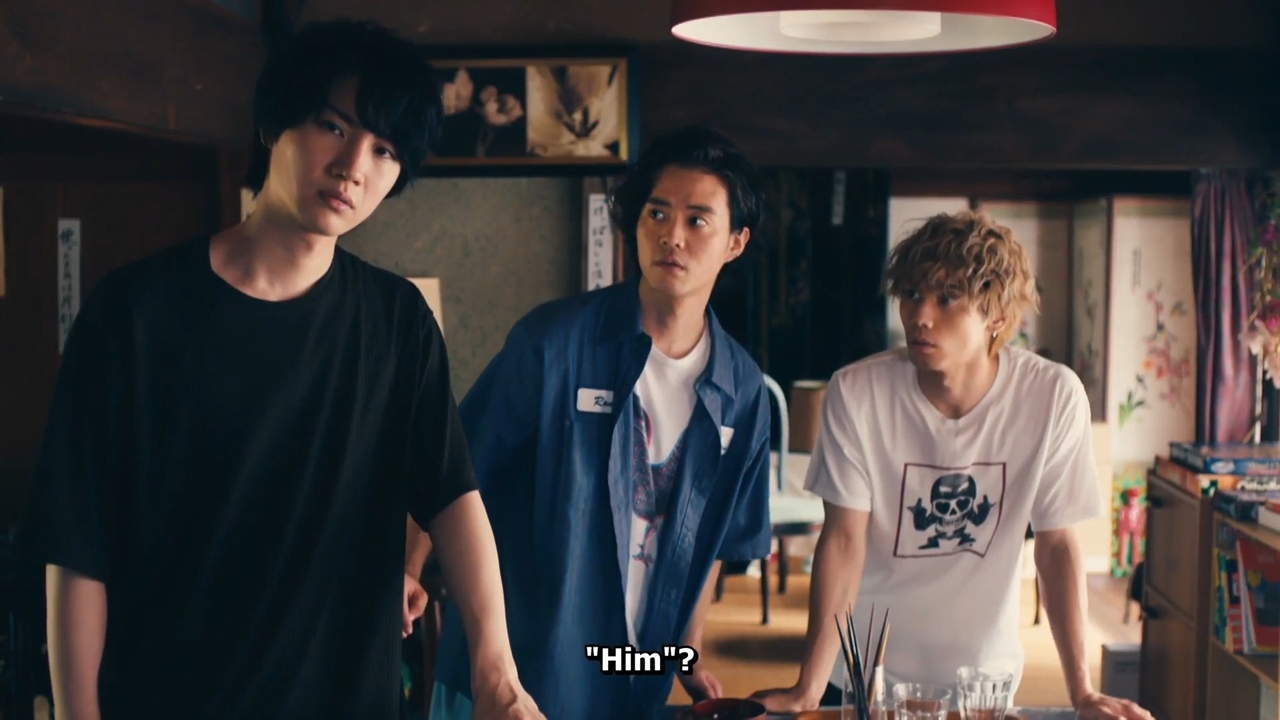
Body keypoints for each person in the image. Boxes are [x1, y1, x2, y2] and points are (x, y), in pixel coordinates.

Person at [17, 19, 540, 720]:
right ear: (274, 126)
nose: (353, 166)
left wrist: (497, 675)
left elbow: (451, 494)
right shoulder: (135, 313)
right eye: (333, 126)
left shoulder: (397, 323)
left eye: (384, 150)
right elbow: (78, 546)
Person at [415, 125, 774, 719]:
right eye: (657, 213)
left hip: (629, 674)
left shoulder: (743, 391)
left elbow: (716, 540)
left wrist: (685, 654)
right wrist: (407, 573)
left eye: (697, 220)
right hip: (514, 666)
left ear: (736, 242)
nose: (672, 235)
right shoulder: (553, 342)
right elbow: (451, 467)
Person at [751, 212, 1153, 720]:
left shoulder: (1052, 396)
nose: (920, 315)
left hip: (981, 682)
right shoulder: (856, 393)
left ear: (997, 317)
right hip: (862, 676)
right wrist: (807, 688)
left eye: (947, 298)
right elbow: (844, 541)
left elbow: (1057, 546)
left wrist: (1083, 693)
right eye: (912, 293)